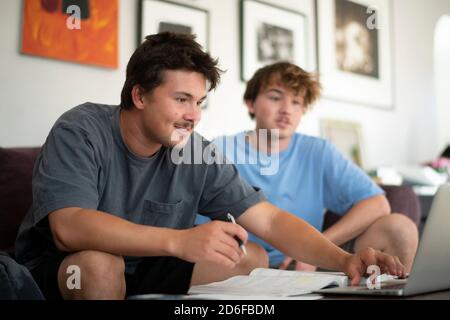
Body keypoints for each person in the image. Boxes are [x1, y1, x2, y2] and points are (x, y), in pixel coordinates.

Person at [15, 33, 405, 300]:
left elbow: (268, 220)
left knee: (247, 257)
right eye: (182, 99)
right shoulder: (81, 129)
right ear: (139, 95)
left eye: (199, 102)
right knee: (100, 266)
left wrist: (343, 260)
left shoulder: (193, 151)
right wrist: (178, 241)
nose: (194, 115)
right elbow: (69, 228)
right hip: (66, 269)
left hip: (145, 269)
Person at [197, 62, 418, 272]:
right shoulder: (219, 149)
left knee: (399, 229)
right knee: (251, 257)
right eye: (275, 98)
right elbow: (196, 228)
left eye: (296, 102)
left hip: (309, 263)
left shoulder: (318, 151)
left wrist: (317, 249)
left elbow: (377, 204)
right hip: (242, 262)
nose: (286, 110)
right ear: (251, 103)